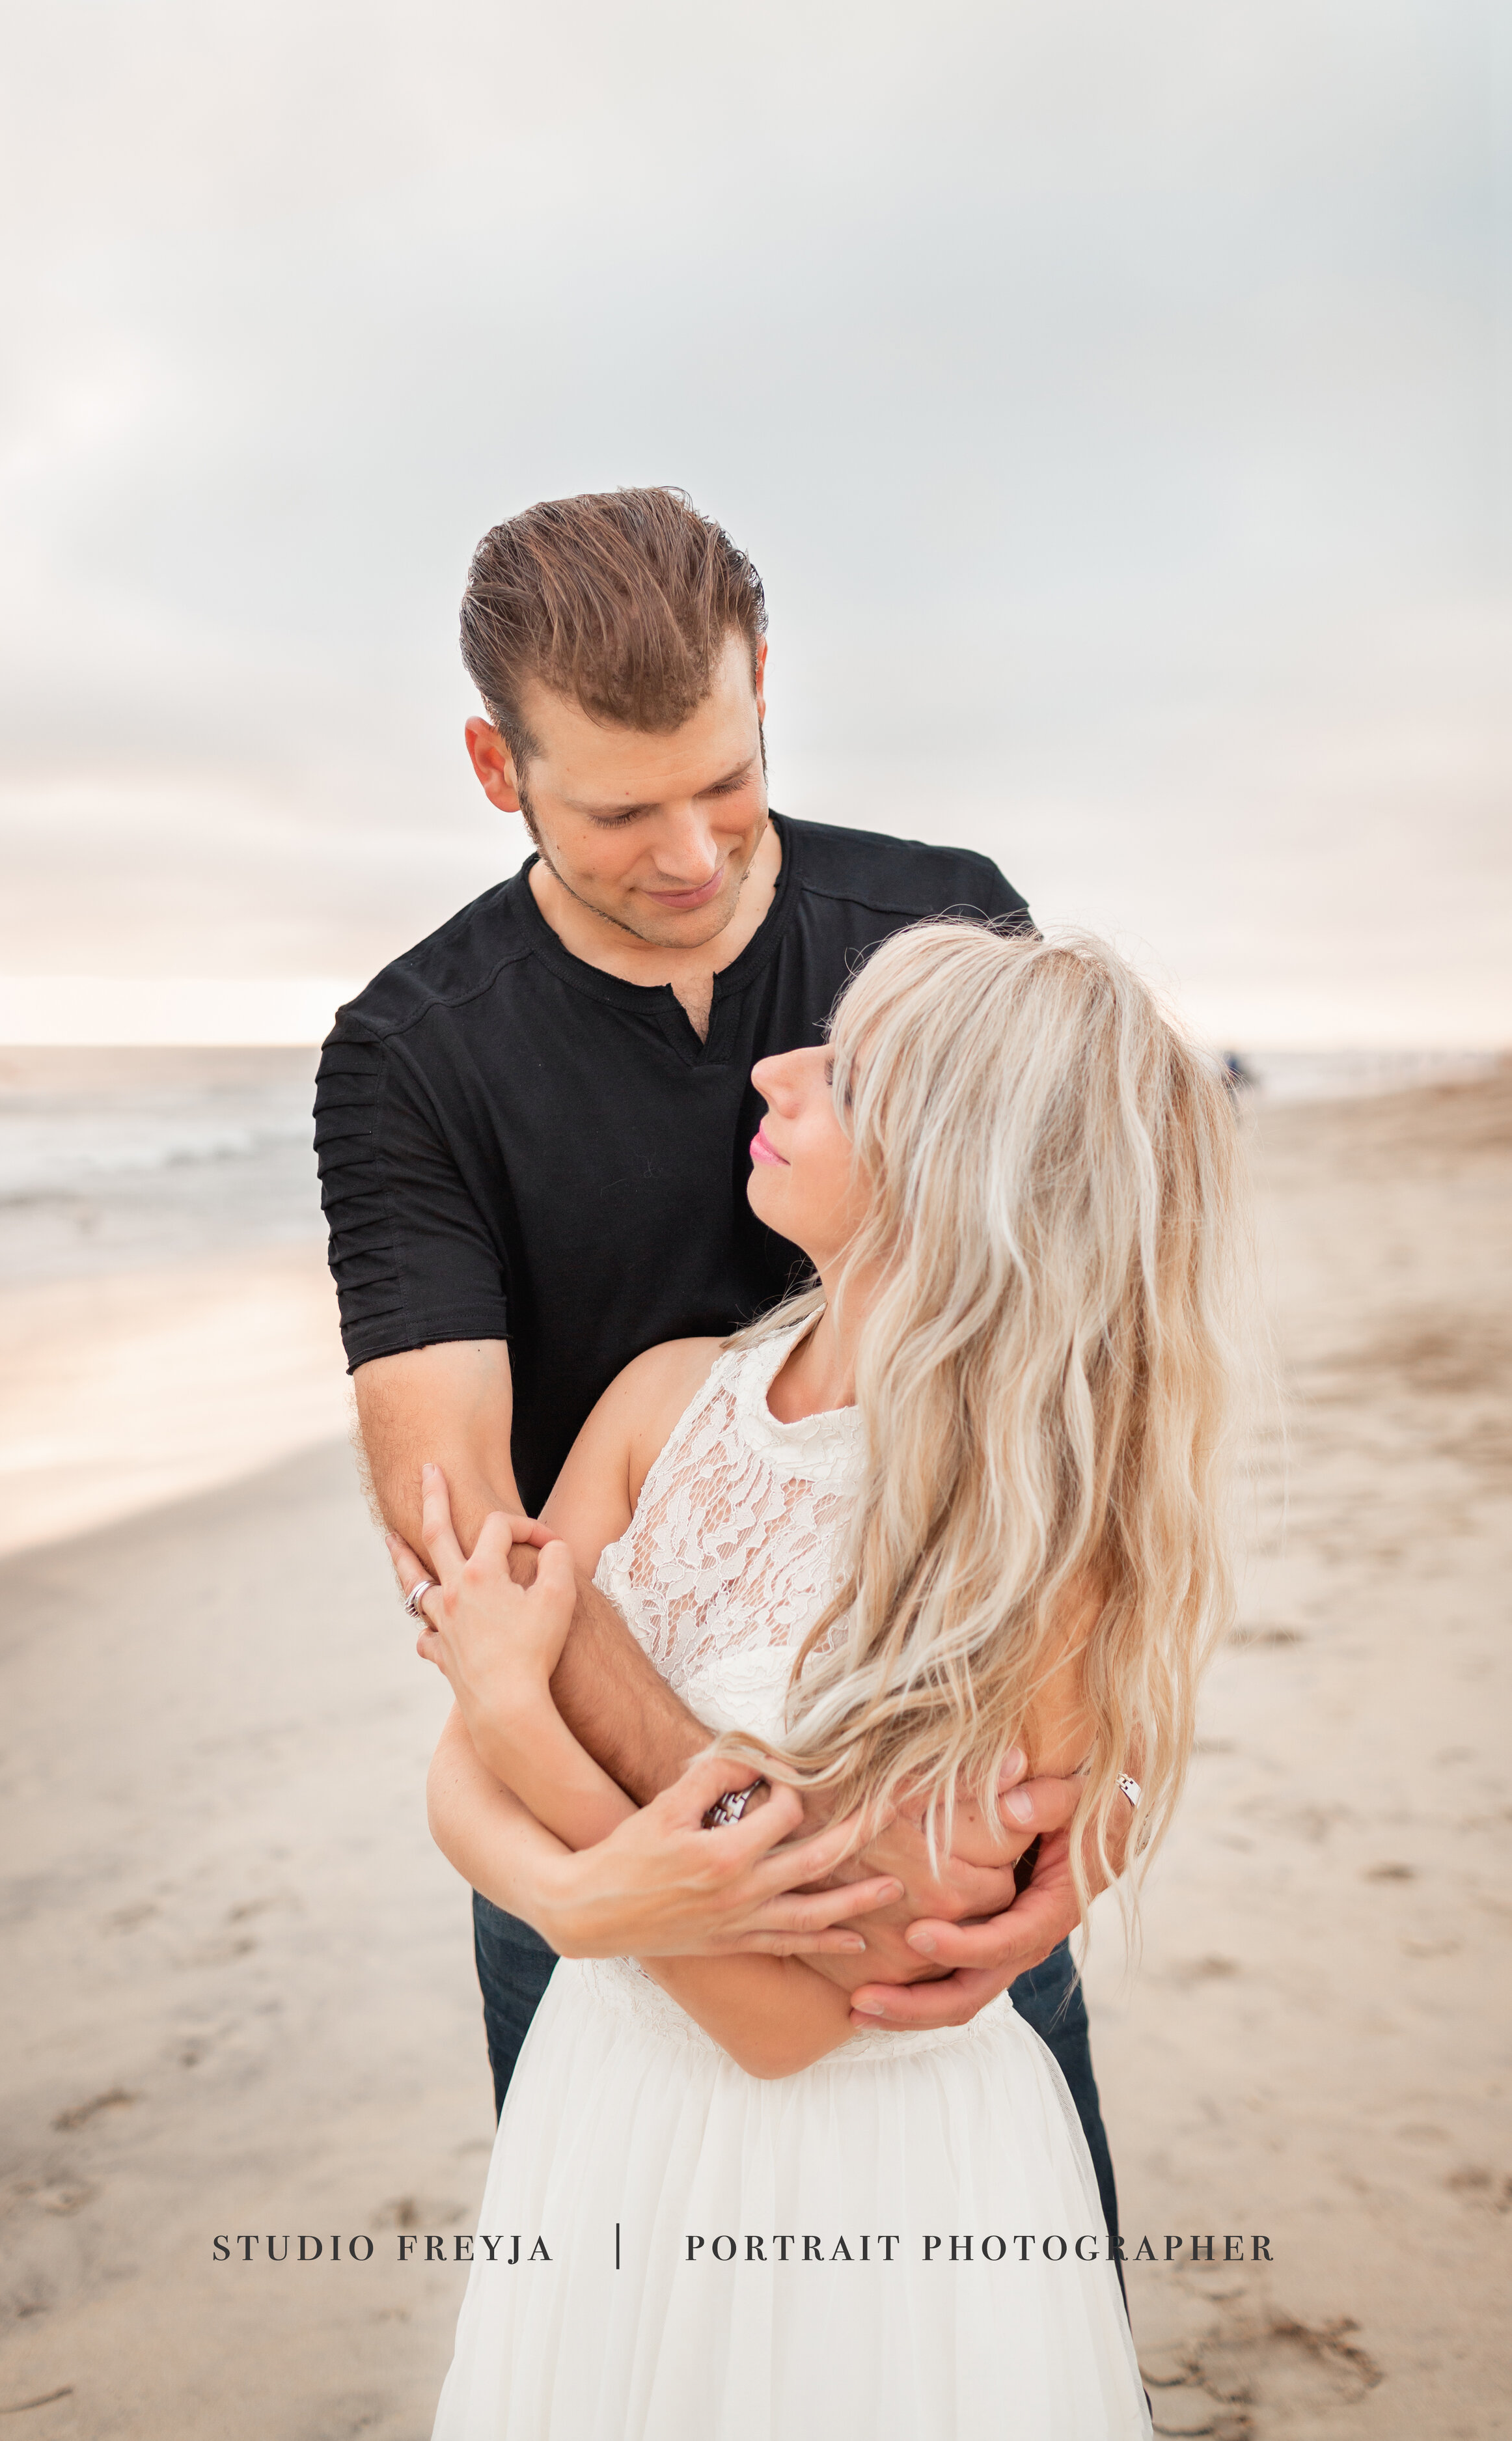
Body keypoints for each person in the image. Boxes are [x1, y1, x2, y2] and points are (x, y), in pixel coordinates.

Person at [312, 486, 1114, 2214]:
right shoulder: (408, 1053)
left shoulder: (943, 933)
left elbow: (1075, 1372)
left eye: (726, 779)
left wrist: (1085, 1825)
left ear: (762, 679)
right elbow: (463, 1535)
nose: (689, 851)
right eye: (618, 807)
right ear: (491, 763)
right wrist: (612, 1874)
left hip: (948, 1803)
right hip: (580, 1804)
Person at [394, 920, 1247, 2437]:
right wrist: (577, 1894)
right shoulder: (664, 1401)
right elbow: (455, 1772)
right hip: (602, 2124)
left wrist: (542, 1700)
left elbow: (797, 2017)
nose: (773, 1070)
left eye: (846, 1073)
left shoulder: (1026, 1549)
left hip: (863, 2183)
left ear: (956, 1172)